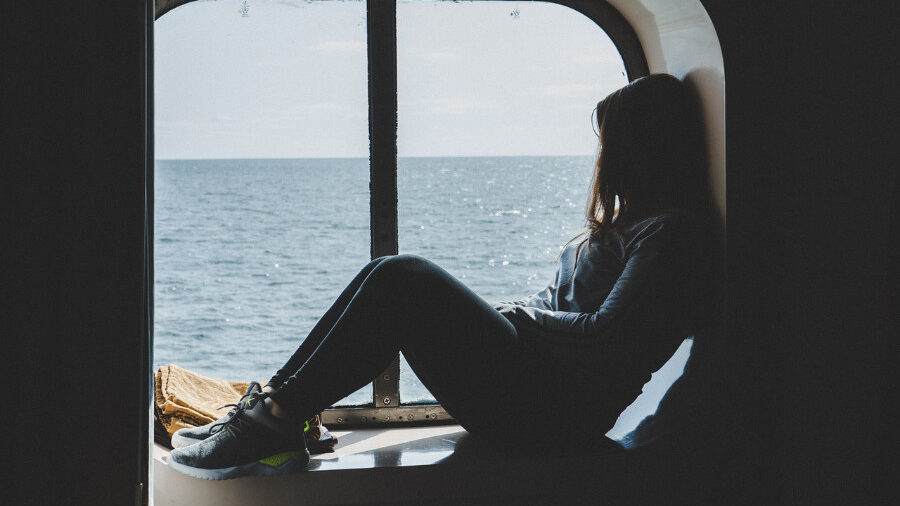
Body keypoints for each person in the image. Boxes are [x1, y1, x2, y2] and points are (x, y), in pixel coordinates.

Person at [167, 73, 715, 480]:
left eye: (615, 142)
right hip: (537, 386)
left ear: (648, 148)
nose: (605, 156)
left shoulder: (671, 234)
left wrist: (519, 317)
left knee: (403, 276)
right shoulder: (630, 224)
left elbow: (608, 334)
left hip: (554, 412)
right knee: (387, 271)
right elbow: (564, 305)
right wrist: (513, 316)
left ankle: (272, 422)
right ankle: (278, 410)